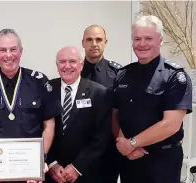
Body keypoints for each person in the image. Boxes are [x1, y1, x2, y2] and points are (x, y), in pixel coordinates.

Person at [113, 15, 192, 183]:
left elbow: (171, 124)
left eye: (148, 38)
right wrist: (123, 143)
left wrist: (132, 143)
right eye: (137, 39)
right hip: (130, 160)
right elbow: (115, 114)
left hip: (162, 161)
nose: (142, 44)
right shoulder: (122, 75)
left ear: (160, 40)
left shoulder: (175, 76)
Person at [0, 28, 59, 183]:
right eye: (3, 50)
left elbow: (49, 124)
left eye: (13, 49)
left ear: (21, 51)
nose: (8, 55)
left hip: (30, 173)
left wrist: (41, 158)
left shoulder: (38, 81)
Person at [46, 46, 112, 183]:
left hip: (86, 173)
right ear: (57, 65)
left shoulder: (99, 93)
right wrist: (51, 163)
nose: (67, 66)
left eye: (72, 61)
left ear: (81, 65)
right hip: (53, 175)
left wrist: (77, 167)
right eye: (62, 62)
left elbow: (102, 136)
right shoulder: (47, 90)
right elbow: (40, 128)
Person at [81, 24, 122, 183]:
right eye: (89, 40)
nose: (94, 44)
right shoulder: (74, 71)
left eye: (98, 39)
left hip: (108, 150)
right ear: (83, 43)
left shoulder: (117, 73)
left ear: (106, 42)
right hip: (79, 149)